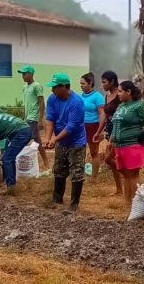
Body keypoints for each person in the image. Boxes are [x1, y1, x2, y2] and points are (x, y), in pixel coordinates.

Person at [44, 73, 86, 214]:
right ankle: (57, 200)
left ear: (63, 86)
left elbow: (71, 126)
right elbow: (50, 119)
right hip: (61, 142)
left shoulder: (76, 102)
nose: (52, 90)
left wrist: (55, 139)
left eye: (55, 87)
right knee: (59, 169)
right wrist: (48, 138)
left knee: (76, 172)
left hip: (76, 142)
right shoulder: (52, 99)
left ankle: (74, 205)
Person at [110, 81, 144, 208]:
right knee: (126, 175)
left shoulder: (140, 106)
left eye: (120, 91)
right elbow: (115, 124)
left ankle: (136, 204)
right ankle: (127, 202)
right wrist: (111, 140)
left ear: (128, 92)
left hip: (133, 145)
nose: (118, 94)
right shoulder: (120, 106)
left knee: (133, 174)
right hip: (119, 145)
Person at [95, 71, 123, 195]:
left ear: (112, 81)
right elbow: (104, 116)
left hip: (120, 132)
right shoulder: (107, 96)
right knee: (112, 163)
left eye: (104, 82)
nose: (103, 85)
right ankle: (119, 189)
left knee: (109, 159)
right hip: (110, 131)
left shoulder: (120, 95)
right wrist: (98, 131)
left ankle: (130, 176)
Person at [19, 64, 49, 167]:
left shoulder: (37, 86)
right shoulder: (25, 87)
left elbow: (41, 103)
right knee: (37, 141)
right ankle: (46, 163)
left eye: (24, 74)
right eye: (22, 74)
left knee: (24, 138)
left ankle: (23, 163)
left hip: (33, 118)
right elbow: (27, 103)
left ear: (31, 74)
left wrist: (40, 119)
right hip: (27, 118)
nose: (22, 76)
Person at [79, 72, 106, 178]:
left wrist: (100, 130)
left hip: (93, 126)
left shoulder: (97, 96)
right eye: (80, 83)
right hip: (80, 126)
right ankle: (79, 173)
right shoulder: (78, 96)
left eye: (83, 83)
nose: (81, 85)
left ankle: (94, 176)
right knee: (79, 151)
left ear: (90, 83)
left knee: (94, 153)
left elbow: (102, 114)